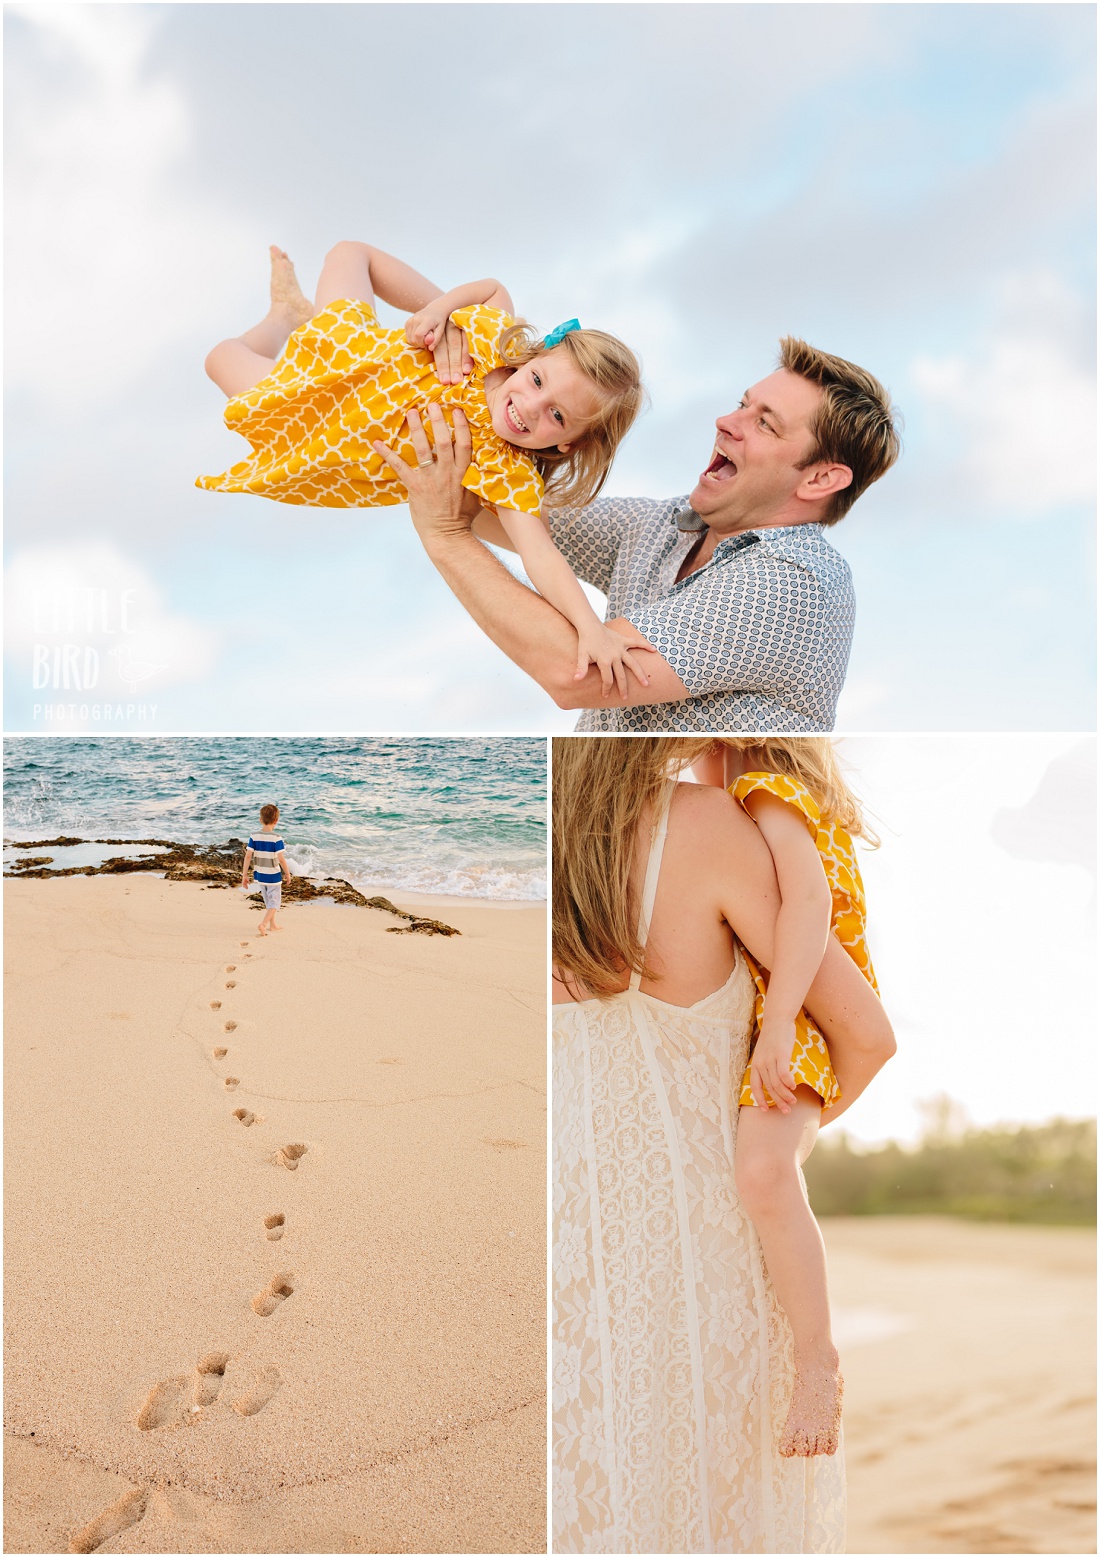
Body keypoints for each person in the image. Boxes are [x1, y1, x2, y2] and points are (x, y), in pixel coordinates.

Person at [551, 737, 895, 1553]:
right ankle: (819, 1358)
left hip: (567, 1262)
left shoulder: (541, 846)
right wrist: (776, 1134)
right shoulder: (708, 825)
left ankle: (820, 1358)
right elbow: (869, 1036)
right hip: (706, 1267)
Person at [375, 336, 900, 732]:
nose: (726, 421)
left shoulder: (796, 583)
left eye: (765, 424)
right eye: (743, 403)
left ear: (821, 478)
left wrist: (444, 535)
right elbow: (490, 506)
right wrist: (466, 387)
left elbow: (573, 673)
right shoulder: (664, 525)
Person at [199, 243, 650, 694]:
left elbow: (542, 555)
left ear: (570, 441)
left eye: (557, 416)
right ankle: (291, 317)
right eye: (536, 380)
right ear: (530, 359)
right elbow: (493, 290)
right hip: (347, 354)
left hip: (316, 428)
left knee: (219, 358)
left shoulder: (504, 471)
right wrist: (442, 312)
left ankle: (283, 318)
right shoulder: (485, 347)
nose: (530, 406)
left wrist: (591, 629)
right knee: (347, 253)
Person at [692, 736, 881, 1462]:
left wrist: (776, 1024)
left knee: (764, 1174)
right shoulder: (794, 797)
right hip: (796, 1006)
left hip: (797, 1010)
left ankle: (817, 1361)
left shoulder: (762, 789)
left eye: (695, 751)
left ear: (729, 742)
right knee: (766, 1172)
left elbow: (808, 899)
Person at [242, 804, 291, 936]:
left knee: (269, 902)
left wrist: (245, 875)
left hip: (260, 875)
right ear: (276, 821)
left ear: (260, 820)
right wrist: (287, 873)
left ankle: (273, 925)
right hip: (273, 876)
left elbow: (247, 856)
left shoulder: (254, 836)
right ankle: (263, 924)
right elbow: (281, 859)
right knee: (274, 903)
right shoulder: (277, 838)